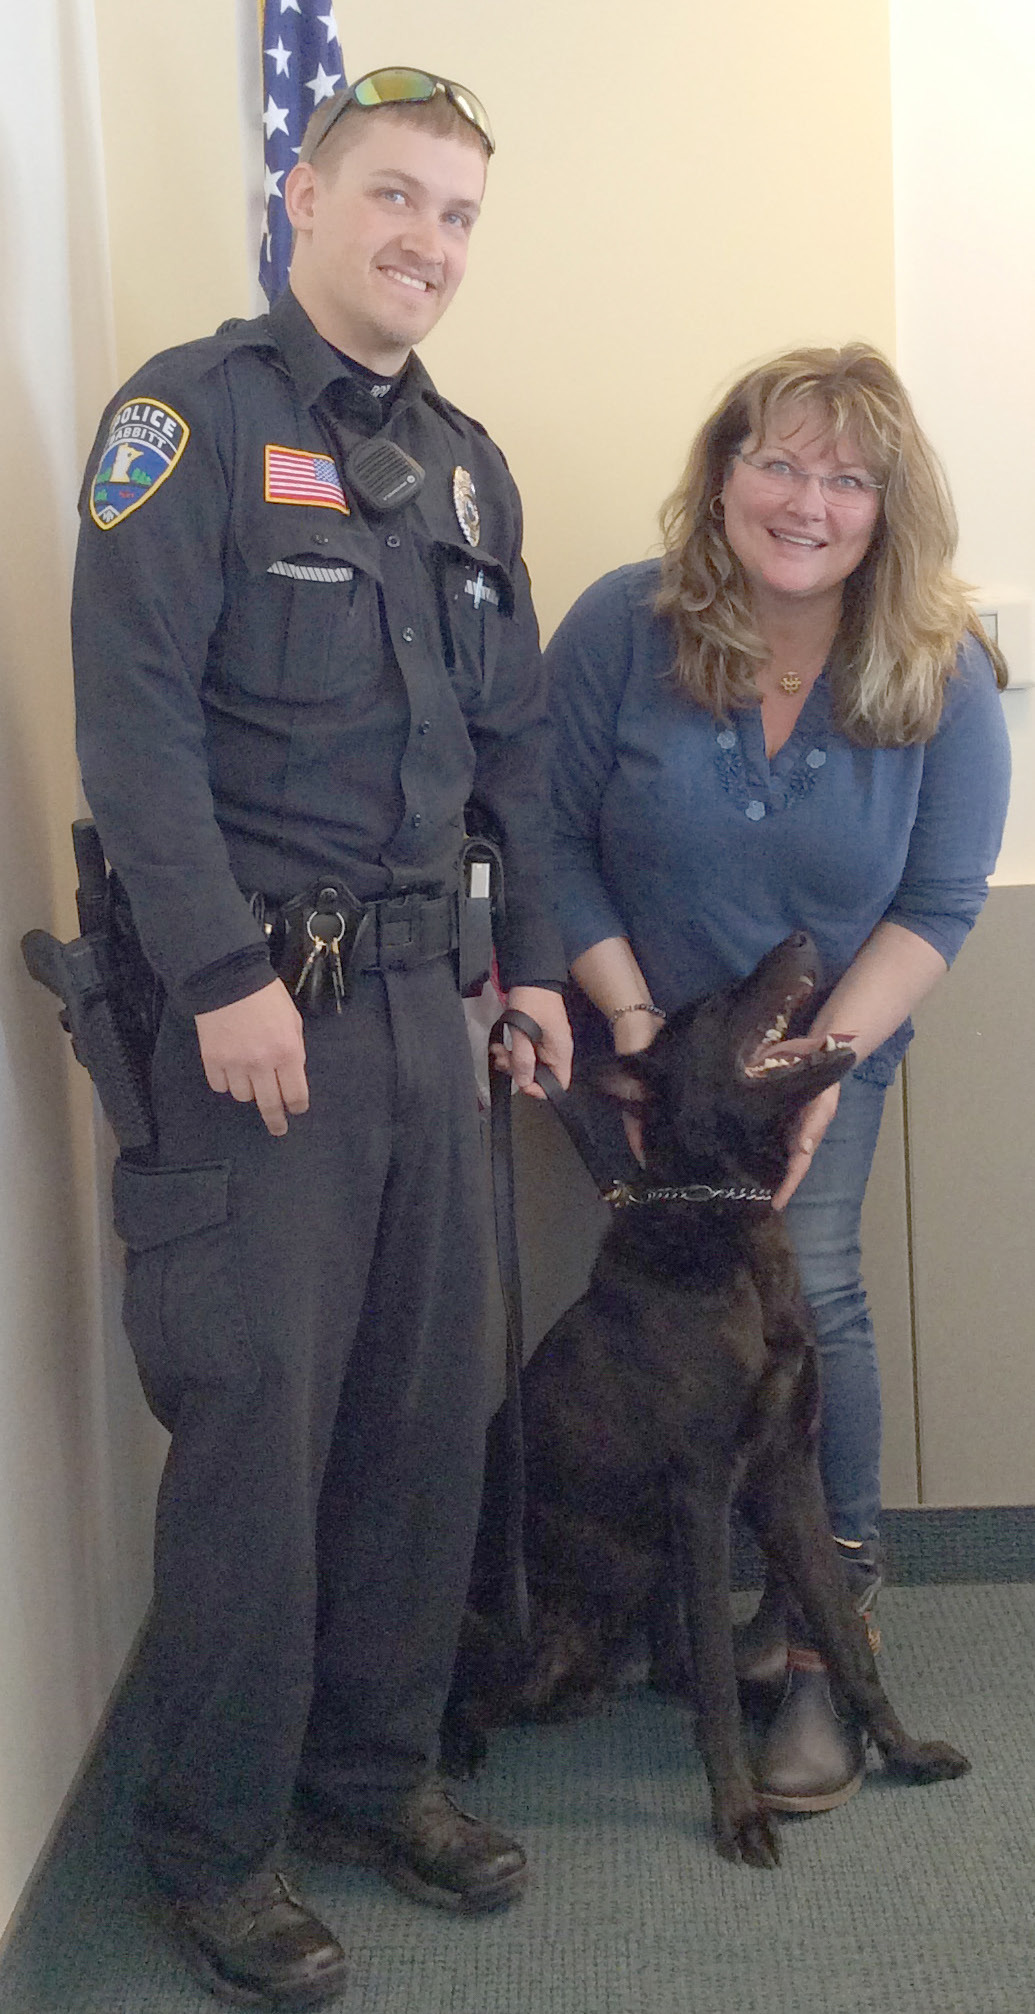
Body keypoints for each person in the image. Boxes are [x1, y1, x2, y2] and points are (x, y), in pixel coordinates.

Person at [72, 70, 572, 2010]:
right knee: (258, 1435)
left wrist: (532, 968)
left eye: (457, 215)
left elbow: (510, 751)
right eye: (393, 197)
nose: (425, 242)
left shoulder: (465, 470)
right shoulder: (188, 420)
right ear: (302, 194)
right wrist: (216, 973)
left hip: (427, 1018)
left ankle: (372, 1776)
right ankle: (214, 1842)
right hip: (257, 1030)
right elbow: (133, 720)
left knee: (419, 1418)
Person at [546, 343, 1009, 1815]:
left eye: (849, 478)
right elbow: (546, 835)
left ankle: (822, 1638)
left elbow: (937, 903)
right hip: (635, 1049)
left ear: (889, 505)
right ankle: (698, 1604)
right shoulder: (622, 624)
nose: (810, 503)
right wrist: (630, 1030)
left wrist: (821, 1071)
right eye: (782, 464)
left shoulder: (945, 668)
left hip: (825, 1047)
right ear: (725, 472)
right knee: (665, 1335)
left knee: (814, 1295)